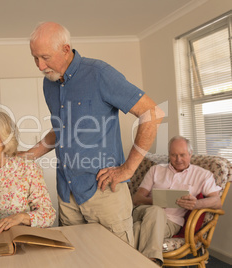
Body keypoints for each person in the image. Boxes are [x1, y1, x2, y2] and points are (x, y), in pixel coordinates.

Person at [26, 21, 162, 245]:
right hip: (67, 193)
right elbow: (62, 129)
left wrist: (127, 169)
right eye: (35, 57)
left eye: (45, 57)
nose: (40, 66)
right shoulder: (48, 84)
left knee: (117, 260)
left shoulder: (99, 73)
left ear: (65, 49)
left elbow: (152, 113)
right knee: (75, 259)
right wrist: (28, 155)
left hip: (104, 192)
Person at [132, 136, 222, 266]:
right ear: (169, 154)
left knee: (137, 229)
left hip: (171, 223)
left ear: (190, 154)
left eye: (182, 155)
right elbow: (137, 199)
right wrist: (157, 201)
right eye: (174, 155)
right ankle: (151, 263)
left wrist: (197, 204)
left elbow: (217, 201)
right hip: (143, 212)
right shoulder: (156, 170)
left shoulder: (203, 175)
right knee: (156, 210)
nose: (178, 159)